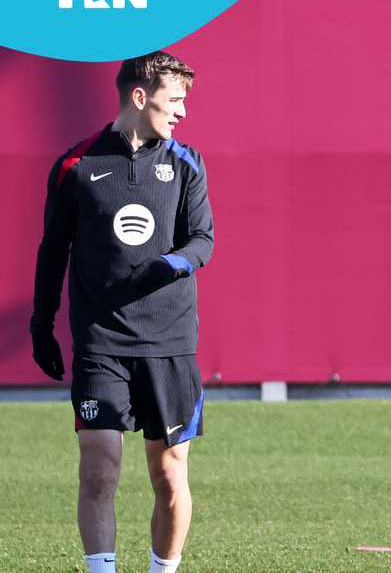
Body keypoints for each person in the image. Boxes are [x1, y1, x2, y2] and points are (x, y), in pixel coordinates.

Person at [30, 51, 214, 573]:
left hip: (169, 343)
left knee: (169, 475)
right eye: (174, 100)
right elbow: (52, 250)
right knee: (99, 469)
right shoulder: (76, 165)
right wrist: (41, 324)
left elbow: (203, 240)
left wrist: (170, 265)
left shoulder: (187, 163)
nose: (182, 112)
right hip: (101, 342)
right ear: (140, 96)